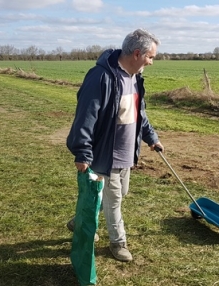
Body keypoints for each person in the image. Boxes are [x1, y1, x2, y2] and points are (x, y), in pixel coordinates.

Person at [66, 28, 164, 262]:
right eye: (151, 57)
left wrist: (151, 137)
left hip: (127, 153)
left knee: (119, 194)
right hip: (106, 154)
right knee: (114, 200)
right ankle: (118, 243)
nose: (151, 62)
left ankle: (79, 221)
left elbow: (139, 114)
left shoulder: (135, 78)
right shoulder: (101, 77)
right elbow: (86, 116)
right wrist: (82, 151)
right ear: (137, 53)